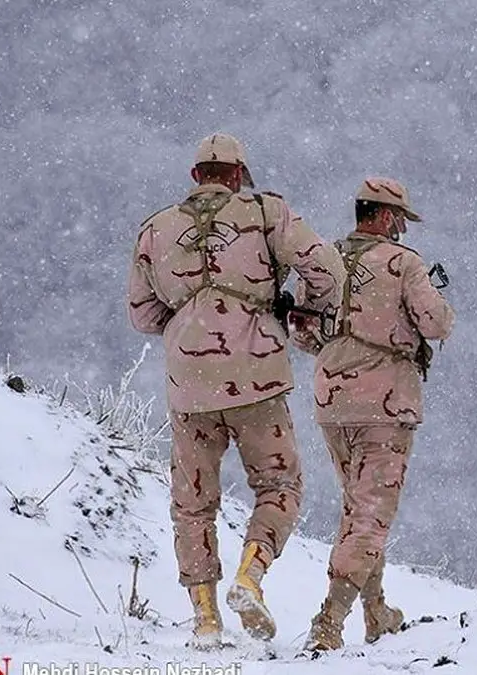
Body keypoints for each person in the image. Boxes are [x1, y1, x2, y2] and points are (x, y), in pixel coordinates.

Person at [126, 133, 344, 650]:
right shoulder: (268, 213)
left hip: (189, 388)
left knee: (193, 501)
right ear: (239, 174)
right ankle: (250, 575)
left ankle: (204, 618)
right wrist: (299, 308)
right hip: (257, 378)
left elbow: (141, 315)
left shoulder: (156, 230)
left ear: (195, 176)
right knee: (279, 485)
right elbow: (328, 269)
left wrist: (189, 325)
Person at [290, 177, 456, 652]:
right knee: (371, 513)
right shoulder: (404, 264)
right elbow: (437, 322)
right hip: (386, 402)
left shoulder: (322, 260)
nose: (402, 227)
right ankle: (329, 621)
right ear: (384, 216)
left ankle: (377, 610)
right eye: (400, 218)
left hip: (331, 402)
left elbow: (300, 334)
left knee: (356, 504)